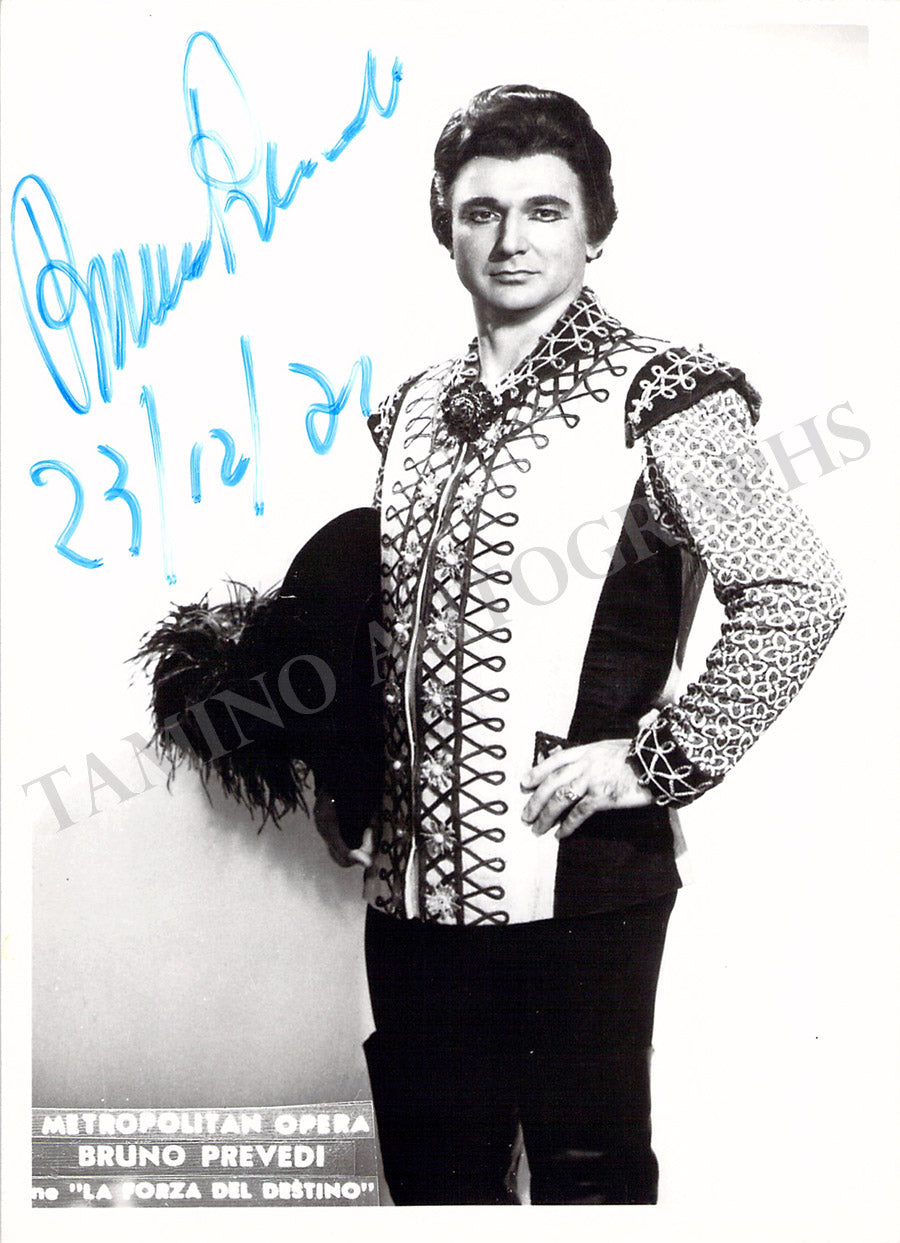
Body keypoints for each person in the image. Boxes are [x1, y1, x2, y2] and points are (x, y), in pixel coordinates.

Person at [314, 84, 846, 1205]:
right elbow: (391, 618)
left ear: (596, 228)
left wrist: (653, 762)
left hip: (584, 888)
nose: (510, 239)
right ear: (445, 227)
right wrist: (346, 770)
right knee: (434, 1183)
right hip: (410, 900)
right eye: (482, 211)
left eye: (545, 210)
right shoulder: (409, 408)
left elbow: (797, 590)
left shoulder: (666, 393)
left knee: (586, 1189)